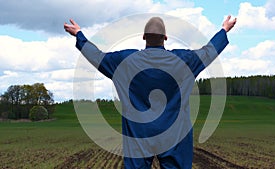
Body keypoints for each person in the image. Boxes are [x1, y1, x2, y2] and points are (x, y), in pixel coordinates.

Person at [64, 15, 236, 169]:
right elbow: (208, 52)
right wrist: (224, 30)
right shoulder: (183, 61)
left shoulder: (125, 61)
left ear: (144, 37)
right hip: (175, 137)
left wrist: (79, 34)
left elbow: (97, 56)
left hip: (138, 137)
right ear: (165, 38)